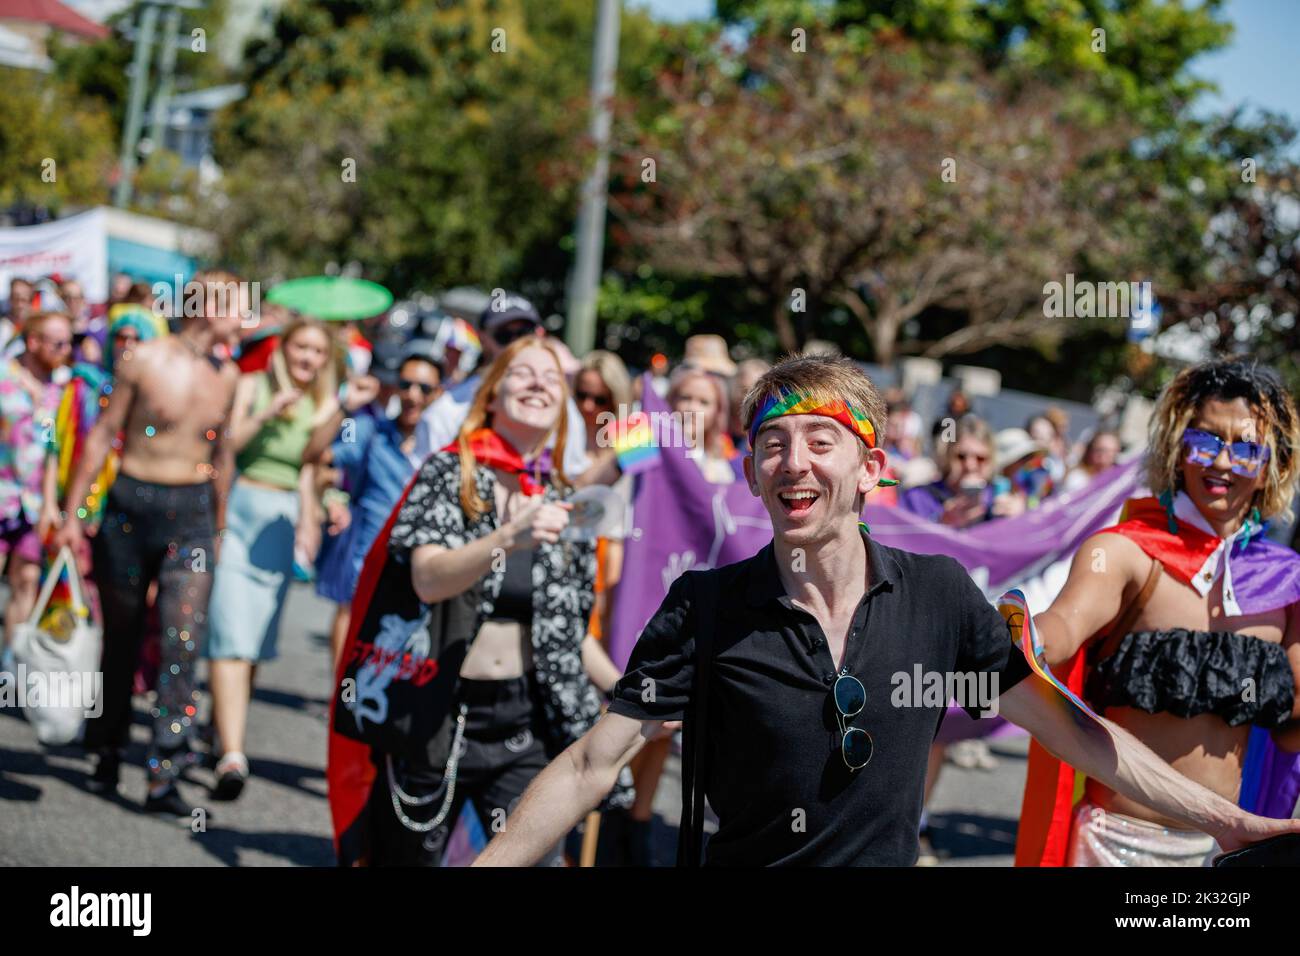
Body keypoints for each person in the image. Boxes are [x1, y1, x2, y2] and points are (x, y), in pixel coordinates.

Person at [471, 354, 1300, 867]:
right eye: (772, 444)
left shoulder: (938, 597)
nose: (794, 461)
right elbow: (589, 766)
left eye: (819, 441)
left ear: (871, 469)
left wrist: (1223, 820)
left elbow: (1077, 733)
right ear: (754, 474)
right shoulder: (707, 607)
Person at [334, 336, 629, 866]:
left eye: (552, 378)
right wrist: (506, 538)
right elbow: (427, 579)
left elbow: (567, 630)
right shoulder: (450, 473)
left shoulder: (563, 499)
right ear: (491, 397)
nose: (540, 382)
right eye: (522, 372)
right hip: (436, 710)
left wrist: (632, 690)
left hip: (523, 721)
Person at [1021, 359, 1300, 866]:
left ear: (1271, 464)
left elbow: (1292, 725)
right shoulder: (1126, 552)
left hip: (1225, 855)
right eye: (1206, 441)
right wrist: (1023, 636)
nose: (1222, 463)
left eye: (1245, 448)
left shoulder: (1287, 583)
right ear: (1178, 448)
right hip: (1113, 846)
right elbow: (1064, 623)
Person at [54, 271, 245, 818]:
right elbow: (101, 433)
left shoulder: (228, 376)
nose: (244, 316)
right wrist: (74, 513)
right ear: (207, 306)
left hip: (192, 516)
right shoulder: (144, 359)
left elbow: (223, 454)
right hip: (132, 505)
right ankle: (108, 745)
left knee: (182, 640)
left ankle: (166, 768)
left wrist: (221, 525)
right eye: (236, 305)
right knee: (123, 635)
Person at [205, 317, 380, 800]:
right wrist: (265, 414)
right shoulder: (250, 385)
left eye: (318, 352)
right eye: (301, 348)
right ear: (284, 348)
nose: (308, 359)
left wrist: (318, 511)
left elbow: (312, 464)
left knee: (255, 638)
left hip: (280, 522)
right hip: (238, 510)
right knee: (228, 633)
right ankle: (232, 755)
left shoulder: (323, 403)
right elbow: (226, 448)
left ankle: (219, 727)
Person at [311, 339, 443, 666]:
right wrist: (345, 407)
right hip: (369, 547)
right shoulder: (371, 430)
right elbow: (317, 457)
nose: (413, 394)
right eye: (405, 384)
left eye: (424, 388)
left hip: (417, 555)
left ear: (438, 394)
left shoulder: (444, 447)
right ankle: (340, 694)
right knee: (351, 612)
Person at [415, 294, 588, 477]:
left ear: (539, 335)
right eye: (504, 335)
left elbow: (571, 475)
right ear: (482, 337)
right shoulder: (446, 412)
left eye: (524, 333)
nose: (516, 343)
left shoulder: (557, 402)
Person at [0, 312, 72, 676]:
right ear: (33, 342)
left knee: (26, 579)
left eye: (68, 342)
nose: (66, 350)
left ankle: (9, 665)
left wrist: (49, 502)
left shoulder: (59, 391)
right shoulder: (3, 376)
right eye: (58, 343)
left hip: (31, 503)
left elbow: (52, 451)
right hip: (1, 495)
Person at [900, 415, 1024, 527]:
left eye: (980, 458)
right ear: (948, 457)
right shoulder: (919, 497)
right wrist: (940, 522)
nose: (970, 466)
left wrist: (1019, 521)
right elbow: (904, 542)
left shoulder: (998, 500)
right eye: (962, 456)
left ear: (991, 461)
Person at [667, 365, 736, 485]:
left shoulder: (719, 468)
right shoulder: (648, 446)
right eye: (685, 398)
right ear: (671, 401)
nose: (692, 408)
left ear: (716, 412)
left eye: (704, 402)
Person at [1061, 429, 1121, 494]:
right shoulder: (1077, 478)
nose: (1104, 455)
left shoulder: (1120, 479)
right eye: (1100, 450)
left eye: (1111, 451)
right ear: (1090, 450)